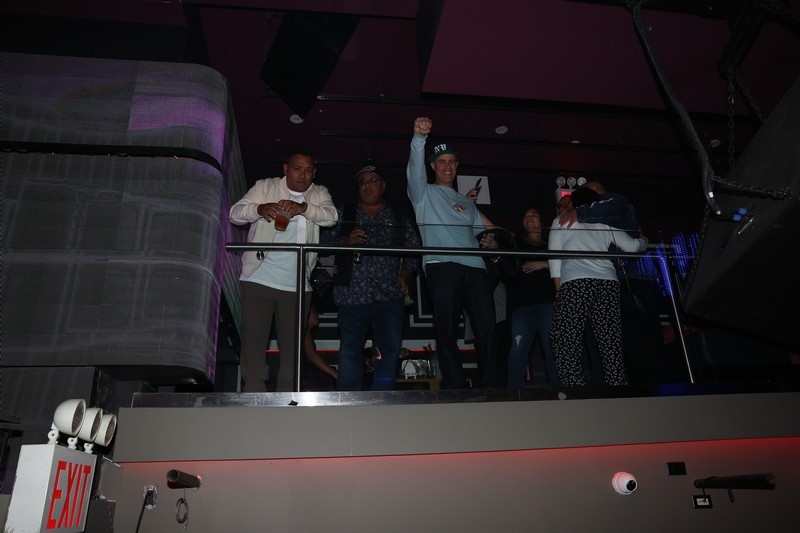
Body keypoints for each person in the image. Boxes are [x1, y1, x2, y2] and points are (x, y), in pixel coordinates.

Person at [229, 149, 338, 392]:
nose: (303, 175)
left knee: (293, 349)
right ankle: (254, 394)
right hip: (259, 277)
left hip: (297, 284)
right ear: (286, 169)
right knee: (253, 341)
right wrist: (259, 209)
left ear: (314, 173)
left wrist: (304, 208)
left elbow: (331, 217)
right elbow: (235, 214)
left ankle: (288, 398)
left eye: (308, 170)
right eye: (297, 169)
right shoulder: (265, 187)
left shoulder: (319, 193)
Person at [406, 117, 501, 389]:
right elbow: (414, 167)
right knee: (446, 331)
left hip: (476, 269)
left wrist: (494, 243)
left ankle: (492, 386)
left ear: (457, 166)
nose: (447, 166)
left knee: (487, 328)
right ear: (432, 166)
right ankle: (454, 387)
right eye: (441, 162)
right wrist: (419, 138)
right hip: (442, 265)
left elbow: (486, 231)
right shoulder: (423, 193)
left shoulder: (466, 202)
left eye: (451, 162)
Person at [321, 165, 421, 391]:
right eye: (363, 181)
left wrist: (405, 272)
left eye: (373, 180)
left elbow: (414, 248)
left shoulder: (397, 216)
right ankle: (348, 400)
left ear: (383, 186)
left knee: (389, 350)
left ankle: (382, 399)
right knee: (350, 350)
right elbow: (321, 243)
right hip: (352, 295)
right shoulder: (344, 213)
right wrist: (345, 241)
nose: (367, 185)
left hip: (390, 296)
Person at [548, 187, 648, 387]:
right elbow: (632, 247)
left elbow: (554, 259)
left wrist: (558, 291)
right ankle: (618, 389)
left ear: (573, 203)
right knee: (610, 343)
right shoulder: (605, 223)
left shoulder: (561, 220)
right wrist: (644, 240)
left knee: (565, 339)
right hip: (608, 284)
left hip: (577, 283)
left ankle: (575, 388)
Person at [502, 208, 559, 388]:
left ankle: (559, 392)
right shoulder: (516, 241)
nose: (529, 217)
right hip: (521, 304)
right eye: (526, 216)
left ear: (542, 220)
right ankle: (515, 393)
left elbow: (567, 264)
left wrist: (544, 264)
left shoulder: (552, 244)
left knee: (552, 347)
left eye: (534, 214)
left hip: (548, 303)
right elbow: (496, 232)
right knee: (518, 348)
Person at [301, 305, 337, 390]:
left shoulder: (305, 331)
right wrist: (335, 374)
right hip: (306, 377)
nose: (317, 315)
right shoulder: (304, 330)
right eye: (314, 312)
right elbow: (312, 356)